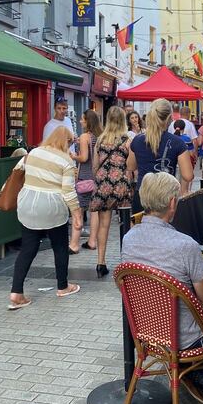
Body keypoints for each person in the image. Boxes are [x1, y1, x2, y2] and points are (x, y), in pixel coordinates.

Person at [121, 171, 203, 404]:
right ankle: (198, 373)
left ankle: (191, 373)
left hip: (148, 333)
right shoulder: (184, 245)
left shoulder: (129, 238)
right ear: (172, 203)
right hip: (187, 337)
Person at [8, 126, 82, 310]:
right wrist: (77, 213)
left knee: (28, 248)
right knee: (59, 246)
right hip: (51, 206)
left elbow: (17, 171)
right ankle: (63, 286)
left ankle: (16, 292)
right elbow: (68, 191)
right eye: (71, 142)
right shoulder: (66, 161)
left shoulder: (33, 152)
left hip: (28, 203)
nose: (71, 145)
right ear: (66, 142)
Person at [89, 106, 133, 278]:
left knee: (104, 224)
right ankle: (126, 262)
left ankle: (101, 262)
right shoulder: (127, 140)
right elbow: (130, 166)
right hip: (121, 183)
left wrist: (101, 178)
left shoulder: (100, 140)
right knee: (125, 224)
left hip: (103, 184)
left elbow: (94, 166)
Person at [127, 98, 194, 208]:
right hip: (166, 196)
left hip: (143, 195)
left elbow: (130, 166)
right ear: (169, 118)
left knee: (140, 225)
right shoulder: (177, 142)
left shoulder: (137, 140)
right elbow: (188, 176)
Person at [71, 109, 102, 254]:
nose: (80, 121)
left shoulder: (85, 137)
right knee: (94, 211)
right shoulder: (100, 136)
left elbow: (83, 158)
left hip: (85, 177)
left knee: (78, 210)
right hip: (97, 178)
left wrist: (72, 156)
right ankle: (92, 241)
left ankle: (74, 244)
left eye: (82, 119)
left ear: (88, 121)